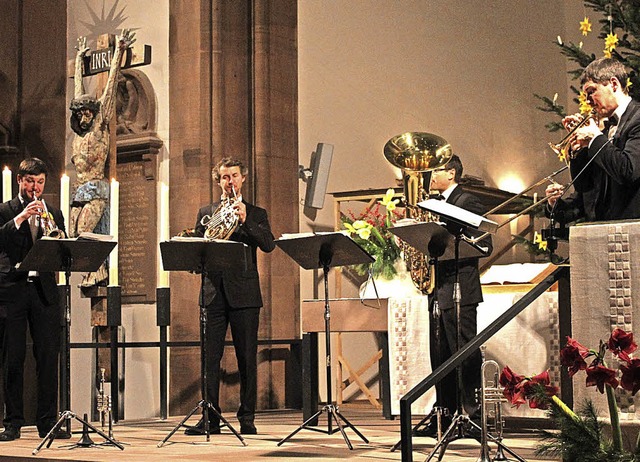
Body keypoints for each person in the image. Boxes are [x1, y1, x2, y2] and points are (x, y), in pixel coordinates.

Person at [184, 157, 275, 436]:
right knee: (209, 359)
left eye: (234, 176)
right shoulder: (206, 212)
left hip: (245, 295)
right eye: (225, 177)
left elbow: (268, 244)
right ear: (218, 181)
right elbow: (197, 247)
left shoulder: (256, 213)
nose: (230, 181)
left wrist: (246, 221)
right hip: (213, 293)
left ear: (243, 178)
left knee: (246, 358)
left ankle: (247, 418)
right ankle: (210, 417)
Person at [416, 154, 492, 438]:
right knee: (440, 354)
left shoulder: (467, 201)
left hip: (460, 285)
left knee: (463, 351)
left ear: (451, 173)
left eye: (434, 170)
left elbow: (484, 243)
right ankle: (444, 413)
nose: (429, 176)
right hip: (439, 287)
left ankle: (469, 414)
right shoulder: (434, 204)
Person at [0, 158, 68, 441]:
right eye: (30, 182)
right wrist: (21, 218)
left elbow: (63, 247)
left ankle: (47, 422)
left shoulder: (53, 212)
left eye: (40, 182)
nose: (35, 188)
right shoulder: (5, 210)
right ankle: (13, 422)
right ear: (20, 180)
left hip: (44, 290)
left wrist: (62, 238)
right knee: (13, 356)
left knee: (48, 357)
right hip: (13, 290)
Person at [69, 29, 135, 286]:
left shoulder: (99, 125)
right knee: (74, 234)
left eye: (88, 112)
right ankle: (93, 269)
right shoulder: (78, 134)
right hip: (79, 189)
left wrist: (118, 49)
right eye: (81, 113)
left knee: (86, 232)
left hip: (96, 188)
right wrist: (79, 58)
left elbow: (108, 89)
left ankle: (98, 270)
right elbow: (78, 90)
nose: (85, 116)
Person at [546, 57, 640, 223]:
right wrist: (578, 150)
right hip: (603, 234)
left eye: (591, 92)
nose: (588, 101)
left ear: (613, 84)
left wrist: (595, 138)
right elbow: (585, 189)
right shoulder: (604, 132)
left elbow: (628, 171)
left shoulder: (637, 119)